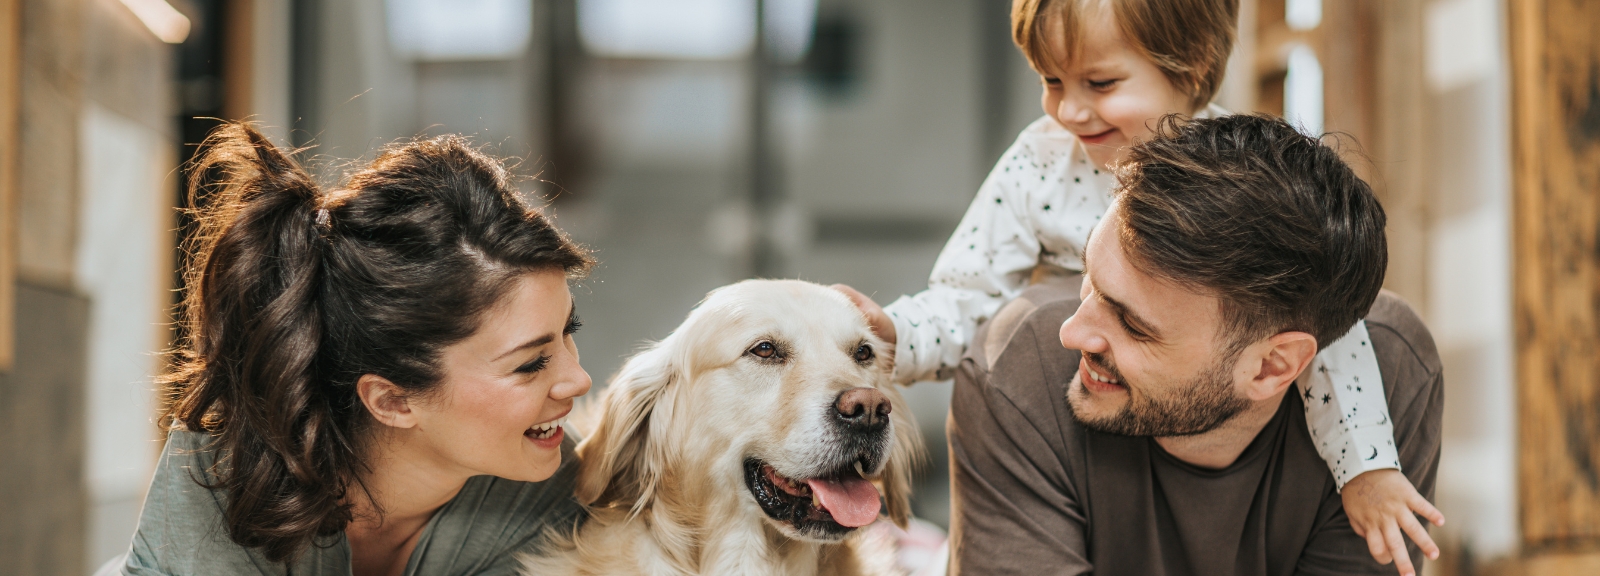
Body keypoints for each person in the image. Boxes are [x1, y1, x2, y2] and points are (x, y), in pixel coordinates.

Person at [829, 0, 1443, 570]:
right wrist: (899, 334)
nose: (1068, 111)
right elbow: (968, 288)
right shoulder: (1042, 166)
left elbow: (1332, 337)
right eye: (1050, 81)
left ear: (1190, 69)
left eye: (1100, 84)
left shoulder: (1253, 190)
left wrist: (1366, 468)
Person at [944, 114, 1443, 575]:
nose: (1071, 333)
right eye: (1089, 279)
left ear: (1272, 366)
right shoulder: (1017, 368)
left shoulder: (1391, 373)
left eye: (1134, 325)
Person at [115, 124, 594, 576]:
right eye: (530, 363)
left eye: (567, 329)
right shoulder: (228, 455)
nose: (580, 380)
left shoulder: (554, 490)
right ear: (392, 400)